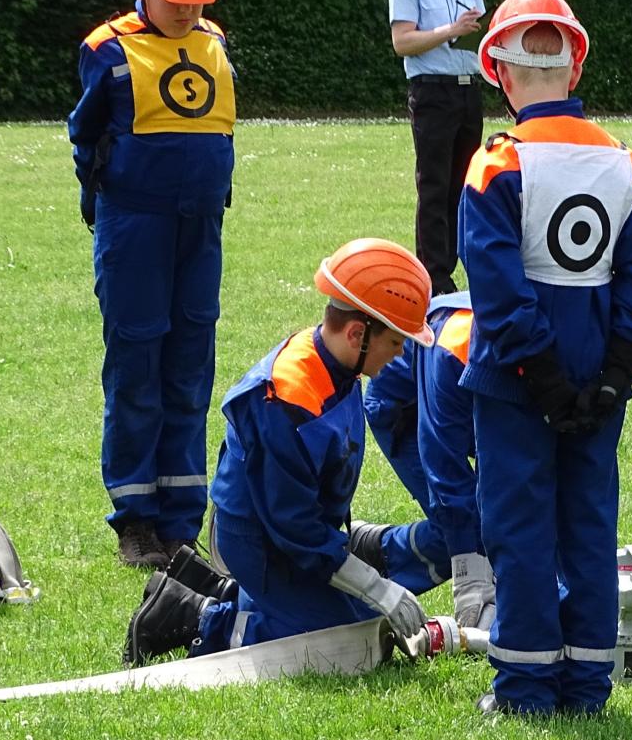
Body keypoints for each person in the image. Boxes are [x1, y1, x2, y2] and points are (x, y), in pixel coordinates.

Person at [459, 0, 632, 716]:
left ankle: (523, 687)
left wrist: (540, 373)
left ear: (501, 74)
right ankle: (586, 685)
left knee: (519, 533)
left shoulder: (496, 163)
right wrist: (614, 372)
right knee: (589, 528)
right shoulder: (626, 164)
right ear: (573, 71)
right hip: (599, 370)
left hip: (519, 379)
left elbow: (494, 283)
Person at [123, 239, 451, 664]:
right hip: (261, 541)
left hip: (310, 532)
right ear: (358, 334)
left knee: (369, 617)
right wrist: (372, 585)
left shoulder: (338, 363)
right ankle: (195, 615)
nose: (401, 353)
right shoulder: (287, 400)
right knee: (346, 643)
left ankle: (240, 594)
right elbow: (291, 528)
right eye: (395, 341)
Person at [69, 0, 235, 570]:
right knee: (137, 367)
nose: (187, 10)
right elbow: (86, 137)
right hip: (135, 227)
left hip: (201, 228)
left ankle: (180, 521)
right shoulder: (106, 48)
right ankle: (135, 520)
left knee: (190, 368)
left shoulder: (214, 41)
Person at [362, 290, 493, 627]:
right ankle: (364, 573)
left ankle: (369, 550)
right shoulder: (454, 345)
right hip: (403, 409)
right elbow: (444, 467)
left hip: (468, 398)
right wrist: (470, 579)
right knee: (461, 530)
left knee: (500, 521)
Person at [389, 0, 486, 293]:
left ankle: (454, 266)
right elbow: (402, 42)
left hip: (469, 90)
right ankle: (434, 276)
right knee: (433, 185)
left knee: (463, 186)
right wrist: (450, 30)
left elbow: (476, 38)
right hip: (431, 91)